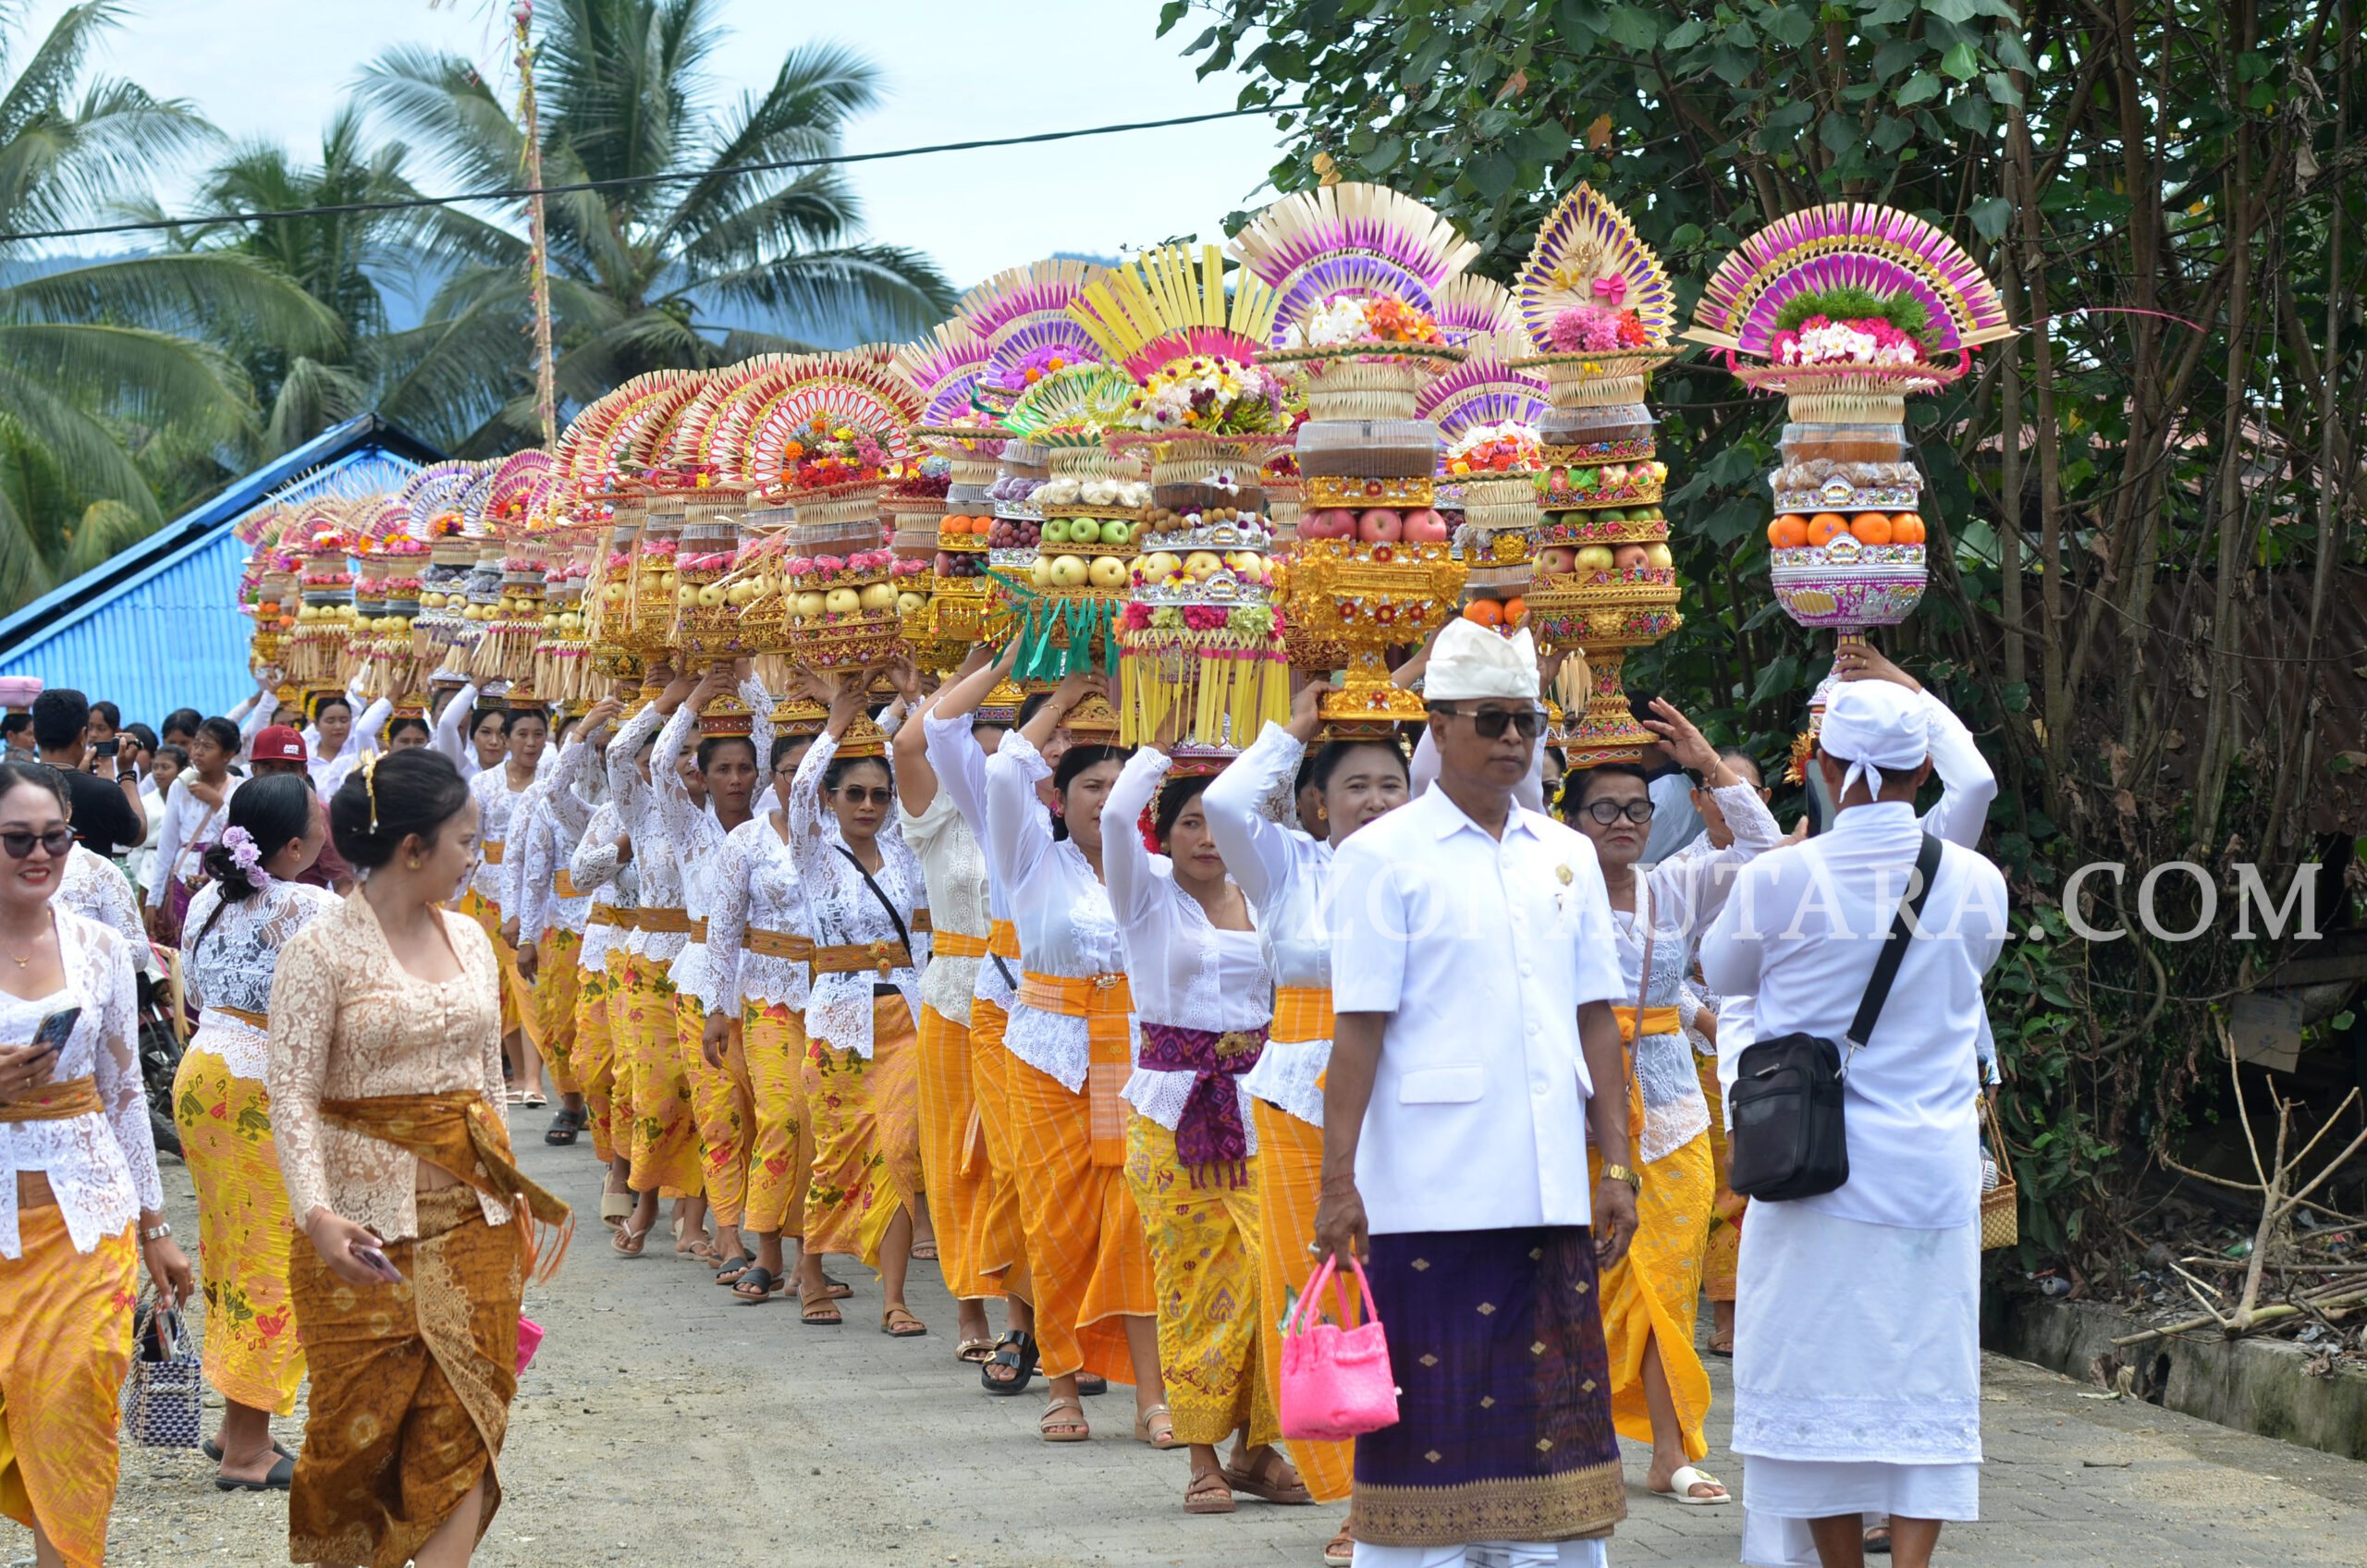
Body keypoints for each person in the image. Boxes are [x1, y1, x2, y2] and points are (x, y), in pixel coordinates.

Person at [1316, 619, 1637, 1568]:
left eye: (1526, 723)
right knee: (1427, 1443)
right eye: (1491, 719)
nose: (1510, 740)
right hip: (1426, 1192)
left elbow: (1594, 1020)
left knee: (1555, 1440)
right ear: (1438, 726)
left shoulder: (1564, 855)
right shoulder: (1382, 856)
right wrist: (1338, 1183)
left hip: (1546, 1191)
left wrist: (1614, 1163)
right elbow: (1357, 1029)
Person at [1700, 680, 2008, 1568]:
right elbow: (1968, 976)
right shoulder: (1977, 882)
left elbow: (1725, 975)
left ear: (1823, 766)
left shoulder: (1783, 878)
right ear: (1922, 771)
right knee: (1926, 1384)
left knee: (1810, 1383)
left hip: (1813, 1170)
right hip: (1929, 1174)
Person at [269, 746, 570, 1568]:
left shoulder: (474, 940)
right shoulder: (319, 952)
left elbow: (488, 1080)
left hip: (473, 1227)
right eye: (466, 842)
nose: (476, 858)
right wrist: (318, 1217)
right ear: (412, 848)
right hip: (361, 1240)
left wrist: (504, 1202)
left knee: (463, 1427)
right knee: (351, 1446)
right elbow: (290, 1094)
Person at [1202, 677, 1408, 1562]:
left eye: (1391, 784)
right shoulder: (1289, 867)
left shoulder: (1427, 871)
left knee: (1403, 1290)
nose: (1374, 800)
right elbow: (1221, 800)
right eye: (1354, 785)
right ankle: (1354, 1493)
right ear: (1318, 802)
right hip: (1296, 1099)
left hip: (1404, 1104)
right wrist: (1298, 726)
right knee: (1316, 1285)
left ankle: (1409, 1482)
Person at [1557, 704, 1781, 1508]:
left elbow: (1763, 851)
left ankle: (1673, 1450)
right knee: (1593, 1282)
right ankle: (1576, 1439)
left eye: (1639, 809)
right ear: (1572, 819)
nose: (1625, 823)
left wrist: (1707, 768)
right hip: (1577, 1109)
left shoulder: (1674, 886)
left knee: (1665, 1279)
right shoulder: (1549, 892)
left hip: (1677, 1111)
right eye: (1605, 809)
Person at [1106, 730, 1309, 1513]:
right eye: (1188, 822)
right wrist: (1153, 748)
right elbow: (1119, 811)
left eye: (1215, 822)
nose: (1205, 837)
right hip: (1172, 1114)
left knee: (1270, 1278)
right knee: (1193, 1287)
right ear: (1167, 831)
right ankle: (1201, 1458)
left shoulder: (1269, 891)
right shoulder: (1143, 890)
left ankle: (1257, 1449)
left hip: (1263, 1106)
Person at [0, 759, 192, 1567]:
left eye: (55, 838)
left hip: (88, 1219)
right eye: (16, 840)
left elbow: (121, 1098)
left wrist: (157, 1227)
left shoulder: (103, 947)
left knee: (75, 1402)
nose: (38, 856)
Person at [983, 671, 1163, 1444]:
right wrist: (1060, 704)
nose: (1105, 799)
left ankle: (1153, 1398)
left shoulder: (1156, 873)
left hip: (1137, 1060)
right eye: (1091, 784)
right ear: (1060, 798)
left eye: (1121, 786)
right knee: (1056, 1226)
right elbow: (1000, 770)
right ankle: (1062, 1387)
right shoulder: (1030, 860)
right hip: (1049, 1058)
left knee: (1137, 1224)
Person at [171, 774, 337, 1492]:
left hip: (204, 1074)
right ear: (296, 844)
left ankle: (237, 1423)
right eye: (318, 812)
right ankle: (246, 1448)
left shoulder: (209, 898)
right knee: (273, 1258)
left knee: (234, 1253)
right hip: (258, 1088)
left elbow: (198, 993)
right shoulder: (312, 905)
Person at [784, 675, 931, 1331]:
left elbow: (914, 756)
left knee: (901, 1148)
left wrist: (909, 699)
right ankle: (811, 1271)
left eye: (879, 795)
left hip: (904, 1014)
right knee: (838, 1152)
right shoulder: (816, 854)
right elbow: (796, 796)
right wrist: (835, 727)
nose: (868, 805)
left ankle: (894, 1297)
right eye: (855, 794)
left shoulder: (902, 850)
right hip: (841, 1017)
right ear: (831, 799)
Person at [919, 650, 1042, 1389]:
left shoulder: (1123, 829)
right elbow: (935, 732)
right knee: (1006, 1167)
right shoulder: (997, 815)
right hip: (1000, 1002)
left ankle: (1067, 1326)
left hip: (1111, 1011)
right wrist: (1005, 660)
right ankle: (1022, 1328)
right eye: (1042, 742)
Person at [889, 650, 1010, 1362]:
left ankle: (1033, 1315)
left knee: (1013, 1158)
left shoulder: (1038, 825)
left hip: (1028, 999)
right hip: (953, 993)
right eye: (979, 741)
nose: (991, 757)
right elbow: (910, 742)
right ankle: (970, 1312)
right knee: (954, 1157)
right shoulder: (936, 818)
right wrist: (992, 667)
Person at [706, 712, 841, 1310]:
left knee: (823, 1127)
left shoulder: (847, 837)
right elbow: (723, 928)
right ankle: (766, 1251)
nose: (801, 783)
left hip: (835, 998)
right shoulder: (748, 841)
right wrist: (717, 1006)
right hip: (766, 996)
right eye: (790, 772)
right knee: (781, 1117)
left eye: (812, 771)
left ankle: (812, 1255)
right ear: (776, 776)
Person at [661, 668, 770, 1282]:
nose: (735, 780)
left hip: (770, 982)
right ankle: (729, 1237)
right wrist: (691, 701)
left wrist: (751, 675)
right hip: (704, 981)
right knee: (721, 1112)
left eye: (745, 768)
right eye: (722, 769)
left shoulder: (775, 825)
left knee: (773, 1115)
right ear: (701, 775)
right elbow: (649, 765)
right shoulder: (687, 826)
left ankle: (770, 1238)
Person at [605, 673, 707, 1256]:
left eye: (703, 753)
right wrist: (674, 702)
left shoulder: (731, 815)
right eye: (680, 752)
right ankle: (644, 1201)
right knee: (657, 1095)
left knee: (708, 1093)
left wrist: (741, 680)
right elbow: (620, 751)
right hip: (647, 965)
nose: (692, 765)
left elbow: (768, 747)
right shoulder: (645, 813)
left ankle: (693, 1222)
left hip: (711, 964)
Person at [465, 706, 549, 1109]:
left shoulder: (553, 783)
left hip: (538, 899)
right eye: (523, 735)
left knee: (530, 986)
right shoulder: (482, 785)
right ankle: (518, 1074)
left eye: (538, 734)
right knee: (500, 989)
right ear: (507, 738)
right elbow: (469, 843)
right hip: (488, 898)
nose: (531, 743)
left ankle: (535, 1079)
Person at [145, 717, 243, 944]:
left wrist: (217, 803)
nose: (198, 752)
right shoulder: (180, 786)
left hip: (223, 878)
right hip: (183, 877)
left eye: (207, 747)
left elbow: (239, 836)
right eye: (196, 744)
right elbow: (167, 846)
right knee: (184, 944)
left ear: (228, 754)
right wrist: (154, 899)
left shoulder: (239, 787)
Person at [31, 689, 143, 861]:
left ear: (35, 735)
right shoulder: (105, 792)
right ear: (82, 736)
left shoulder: (12, 784)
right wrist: (127, 773)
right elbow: (138, 835)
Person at [247, 727, 357, 894]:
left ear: (304, 772)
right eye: (269, 768)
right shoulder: (245, 808)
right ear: (254, 771)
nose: (279, 777)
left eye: (288, 768)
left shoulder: (318, 812)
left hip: (308, 913)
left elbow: (343, 881)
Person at [130, 743, 186, 901]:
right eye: (155, 767)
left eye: (165, 767)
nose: (158, 773)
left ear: (181, 770)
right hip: (147, 871)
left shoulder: (188, 800)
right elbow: (137, 848)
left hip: (180, 867)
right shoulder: (145, 802)